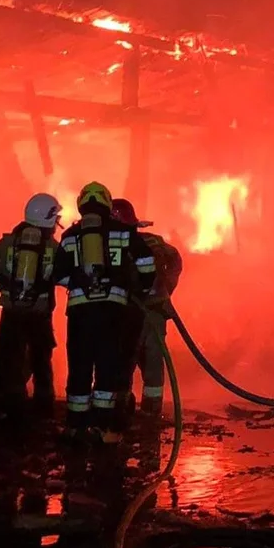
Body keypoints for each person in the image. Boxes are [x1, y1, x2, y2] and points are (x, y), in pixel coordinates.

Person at [52, 181, 157, 444]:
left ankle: (75, 428)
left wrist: (78, 285)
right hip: (112, 313)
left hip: (79, 314)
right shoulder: (122, 232)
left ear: (81, 203)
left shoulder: (70, 236)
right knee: (107, 368)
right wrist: (140, 288)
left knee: (79, 367)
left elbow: (57, 274)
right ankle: (102, 428)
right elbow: (146, 262)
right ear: (107, 203)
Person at [0, 192, 63, 423]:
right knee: (41, 362)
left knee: (12, 362)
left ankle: (14, 411)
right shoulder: (54, 247)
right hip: (40, 314)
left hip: (12, 314)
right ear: (48, 217)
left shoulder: (7, 243)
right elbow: (63, 277)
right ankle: (44, 410)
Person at [111, 198, 184, 417]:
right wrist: (167, 287)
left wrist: (166, 287)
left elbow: (174, 259)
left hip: (141, 311)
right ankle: (141, 409)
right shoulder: (150, 241)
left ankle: (132, 409)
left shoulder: (119, 244)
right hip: (140, 310)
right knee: (143, 359)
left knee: (132, 358)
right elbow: (175, 259)